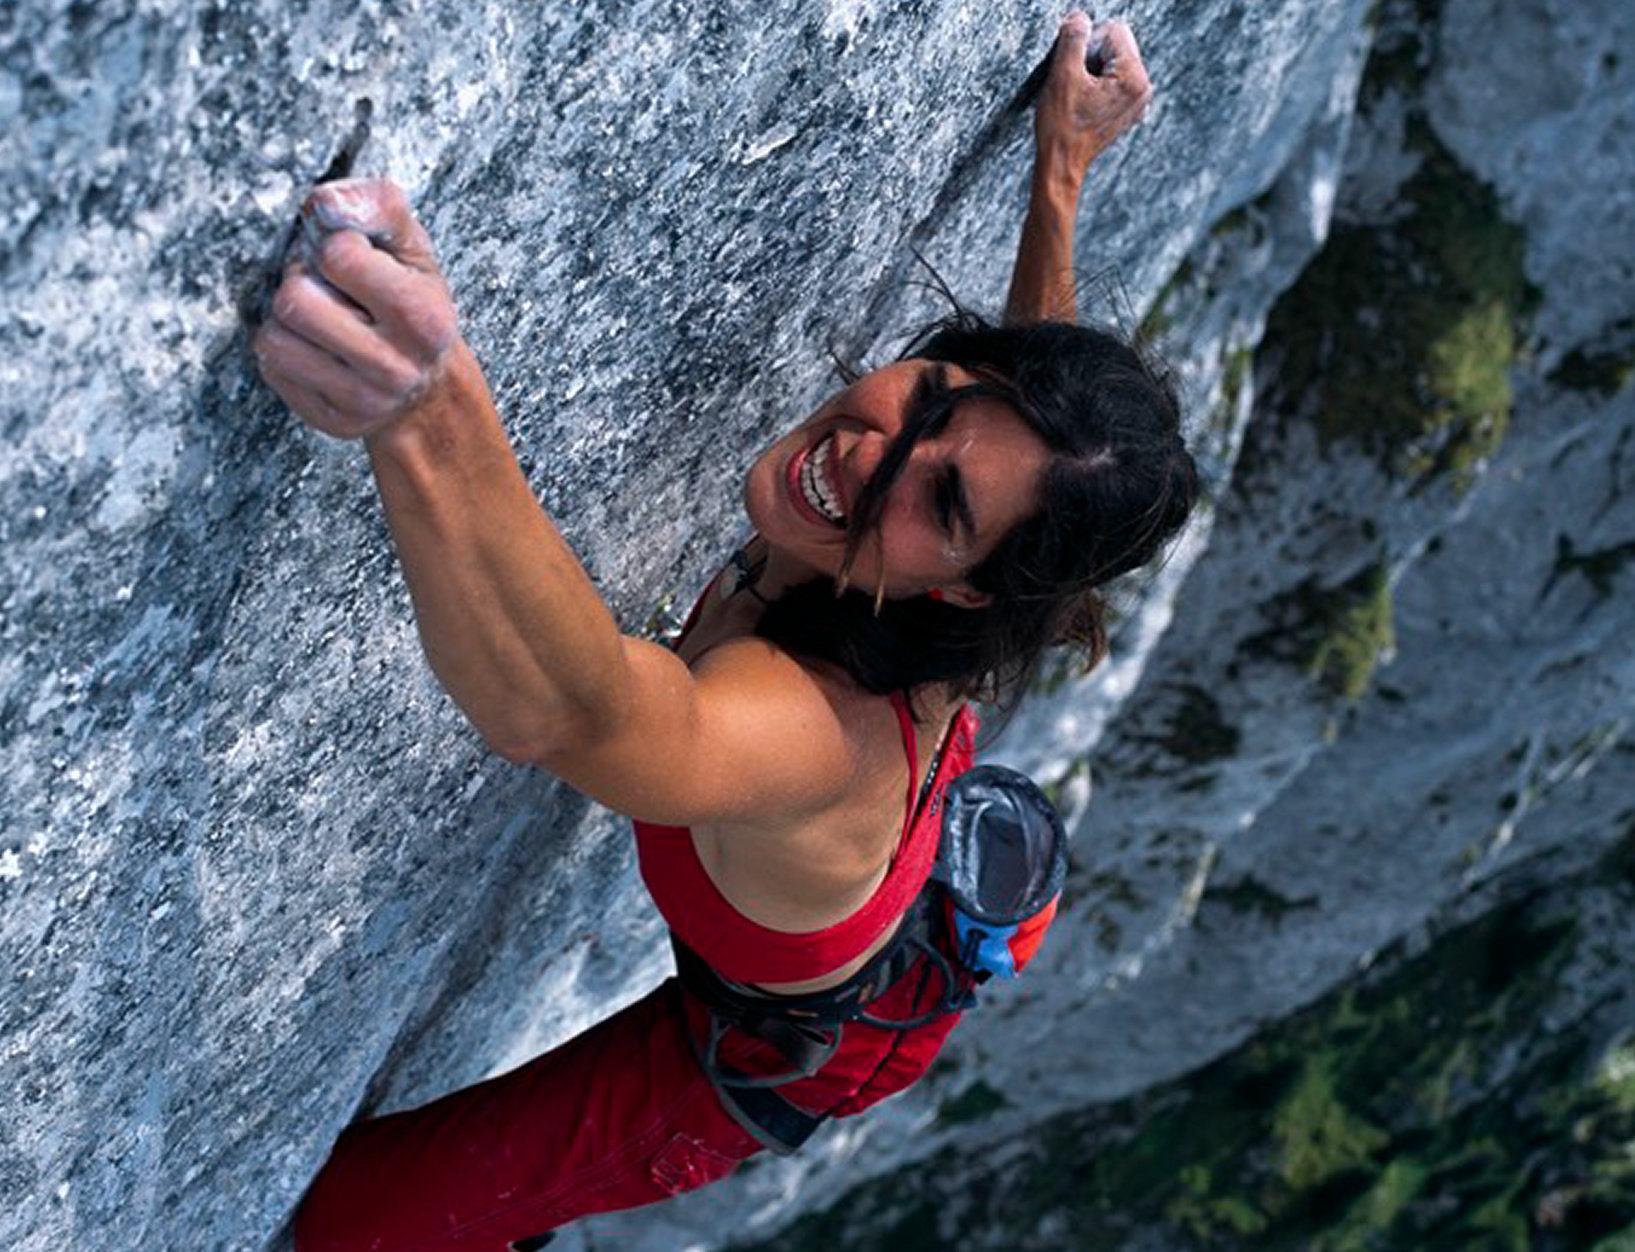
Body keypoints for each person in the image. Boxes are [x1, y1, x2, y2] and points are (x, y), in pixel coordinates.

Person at [255, 13, 1194, 1251]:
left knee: (349, 1228)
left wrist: (429, 404)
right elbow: (1022, 445)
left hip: (772, 1050)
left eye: (942, 501)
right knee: (1001, 458)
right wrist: (1061, 169)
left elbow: (577, 711)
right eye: (934, 395)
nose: (870, 454)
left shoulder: (814, 741)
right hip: (882, 818)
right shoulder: (933, 563)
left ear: (970, 588)